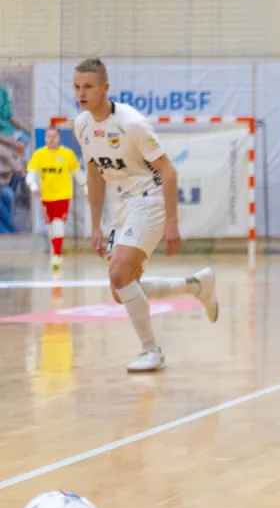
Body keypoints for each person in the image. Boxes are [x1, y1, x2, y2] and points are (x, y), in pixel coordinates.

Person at [73, 58, 219, 373]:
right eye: (77, 87)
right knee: (121, 289)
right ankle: (197, 286)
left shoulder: (132, 124)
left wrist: (171, 221)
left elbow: (168, 170)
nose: (81, 93)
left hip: (149, 200)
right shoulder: (82, 125)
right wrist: (96, 224)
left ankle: (151, 350)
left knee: (118, 275)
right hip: (121, 205)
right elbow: (95, 173)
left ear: (105, 88)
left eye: (88, 86)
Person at [26, 127, 84, 272]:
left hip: (63, 196)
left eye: (54, 136)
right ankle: (55, 251)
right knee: (51, 227)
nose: (51, 139)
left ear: (59, 138)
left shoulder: (67, 154)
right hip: (46, 197)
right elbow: (30, 174)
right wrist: (33, 186)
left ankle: (57, 256)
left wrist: (86, 188)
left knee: (58, 224)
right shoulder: (39, 155)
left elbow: (78, 173)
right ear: (45, 139)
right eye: (48, 136)